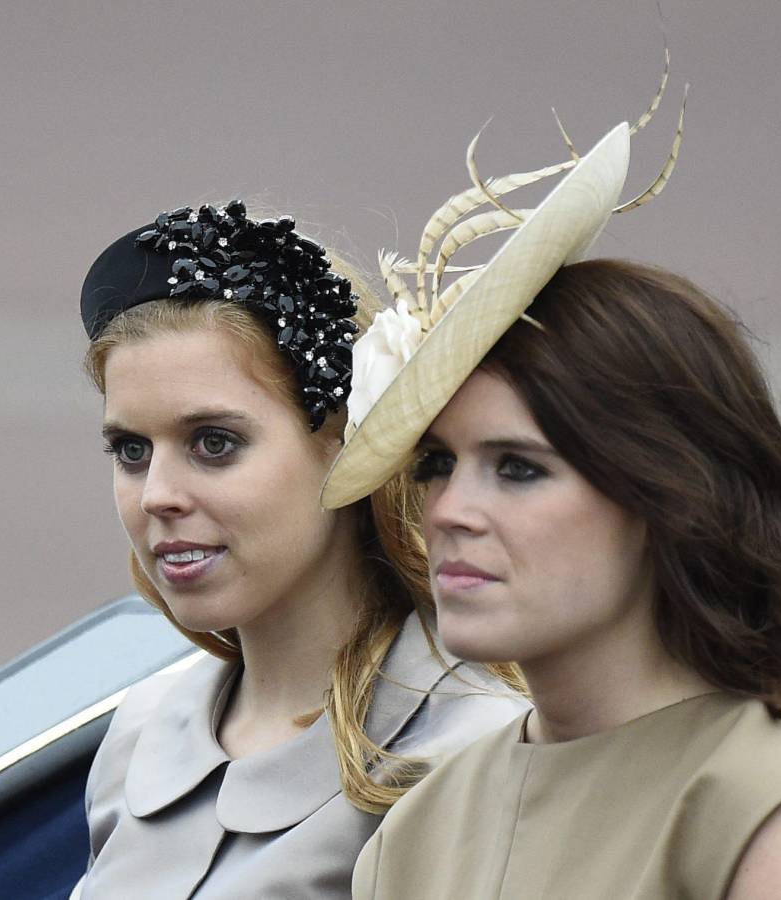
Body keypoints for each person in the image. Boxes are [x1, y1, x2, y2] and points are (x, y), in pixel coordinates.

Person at [321, 106, 781, 898]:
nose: (449, 509)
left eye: (518, 468)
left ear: (667, 497)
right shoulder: (417, 829)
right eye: (437, 464)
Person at [69, 201, 527, 899]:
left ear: (348, 441)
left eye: (213, 443)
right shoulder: (142, 730)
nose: (156, 494)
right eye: (131, 450)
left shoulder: (474, 750)